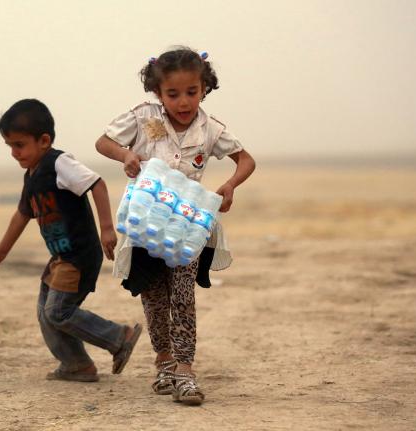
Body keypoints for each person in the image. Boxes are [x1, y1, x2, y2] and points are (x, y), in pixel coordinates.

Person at [95, 47, 256, 404]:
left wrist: (230, 185)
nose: (183, 102)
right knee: (154, 296)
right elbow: (103, 141)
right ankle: (164, 362)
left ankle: (185, 370)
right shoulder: (142, 118)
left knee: (183, 296)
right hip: (146, 223)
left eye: (192, 92)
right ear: (157, 92)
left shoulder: (210, 128)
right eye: (173, 94)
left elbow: (245, 160)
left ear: (204, 88)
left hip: (187, 226)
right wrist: (126, 154)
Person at [0, 99, 142, 382]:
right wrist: (1, 250)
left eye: (19, 145)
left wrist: (107, 228)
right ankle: (76, 364)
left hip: (79, 255)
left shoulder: (58, 163)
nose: (14, 152)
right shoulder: (31, 176)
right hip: (60, 257)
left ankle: (120, 337)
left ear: (44, 140)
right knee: (46, 313)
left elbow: (97, 184)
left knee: (58, 312)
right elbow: (22, 215)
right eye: (10, 146)